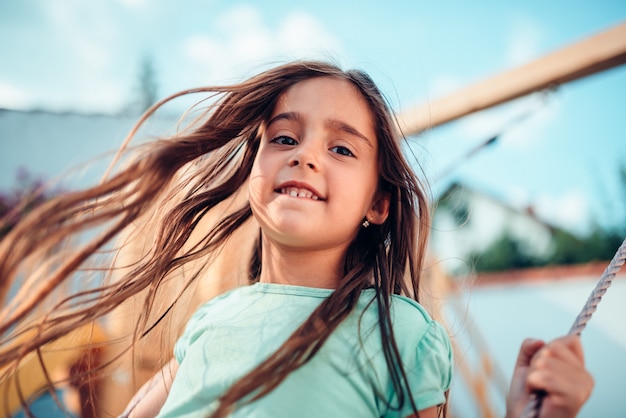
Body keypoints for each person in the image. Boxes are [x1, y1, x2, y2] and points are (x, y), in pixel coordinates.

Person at [0, 61, 593, 418]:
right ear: (254, 171)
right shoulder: (210, 322)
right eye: (284, 138)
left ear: (379, 203)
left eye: (340, 148)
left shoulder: (398, 331)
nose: (305, 154)